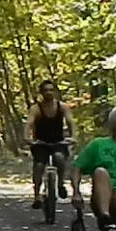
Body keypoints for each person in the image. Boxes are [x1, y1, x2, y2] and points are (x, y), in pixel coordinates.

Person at [25, 79, 76, 208]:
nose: (49, 92)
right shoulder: (36, 108)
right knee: (39, 166)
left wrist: (73, 137)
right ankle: (37, 195)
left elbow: (70, 122)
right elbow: (29, 123)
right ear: (41, 93)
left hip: (58, 142)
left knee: (59, 158)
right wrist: (27, 138)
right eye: (46, 90)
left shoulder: (62, 107)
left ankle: (60, 184)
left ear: (55, 92)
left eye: (51, 90)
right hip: (40, 143)